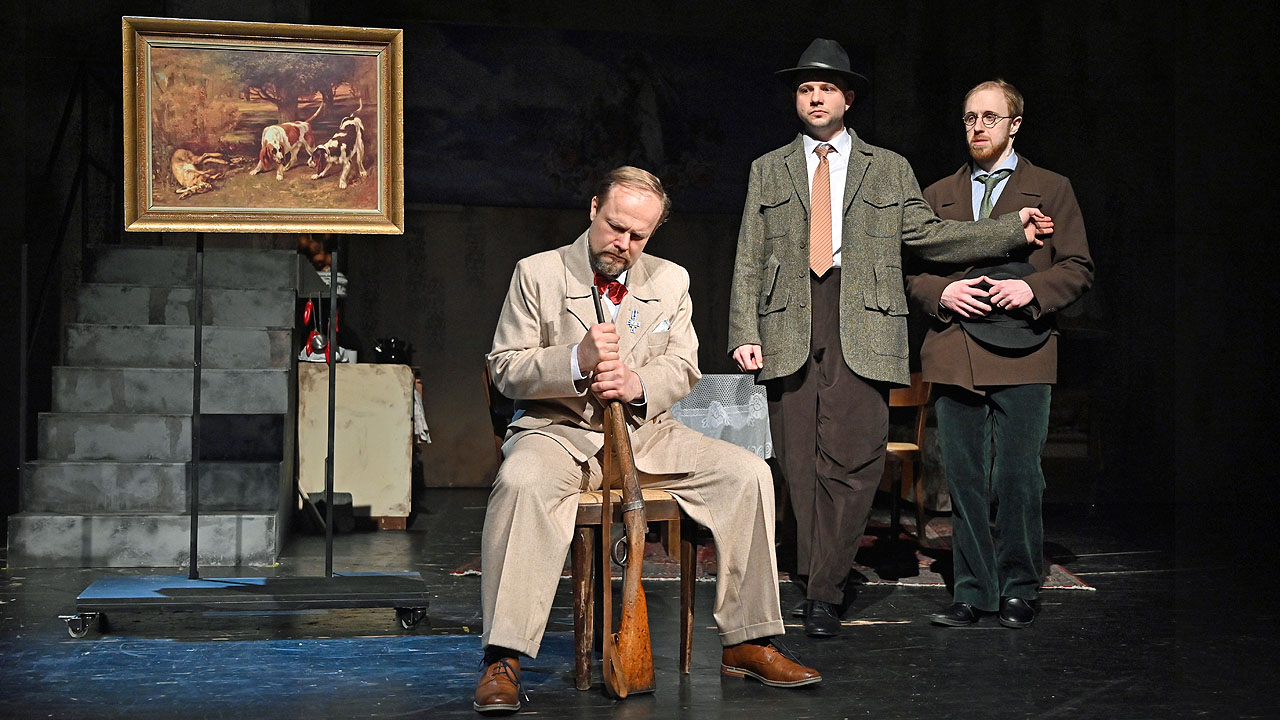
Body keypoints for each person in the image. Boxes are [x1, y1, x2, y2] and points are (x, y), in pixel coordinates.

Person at [727, 39, 1055, 639]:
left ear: (848, 99)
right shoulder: (768, 167)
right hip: (788, 319)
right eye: (805, 89)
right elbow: (750, 253)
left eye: (827, 88)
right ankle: (816, 575)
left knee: (855, 459)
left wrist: (1009, 231)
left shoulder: (887, 166)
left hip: (865, 317)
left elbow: (930, 236)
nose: (815, 98)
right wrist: (744, 330)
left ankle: (823, 591)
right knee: (799, 463)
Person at [476, 166, 820, 715]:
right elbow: (505, 368)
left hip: (646, 435)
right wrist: (575, 360)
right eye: (616, 227)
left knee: (748, 473)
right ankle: (504, 656)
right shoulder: (537, 273)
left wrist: (638, 384)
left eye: (639, 235)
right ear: (594, 209)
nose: (624, 243)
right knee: (520, 481)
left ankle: (748, 639)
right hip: (558, 432)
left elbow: (683, 366)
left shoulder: (670, 280)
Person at [908, 80, 1093, 629]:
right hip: (955, 346)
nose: (978, 127)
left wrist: (1031, 289)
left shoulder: (1050, 188)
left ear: (1015, 125)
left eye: (990, 117)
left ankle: (1018, 585)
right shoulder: (938, 193)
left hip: (1025, 346)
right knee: (963, 478)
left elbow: (1078, 267)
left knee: (1018, 476)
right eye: (970, 118)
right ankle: (972, 591)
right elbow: (911, 271)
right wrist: (941, 292)